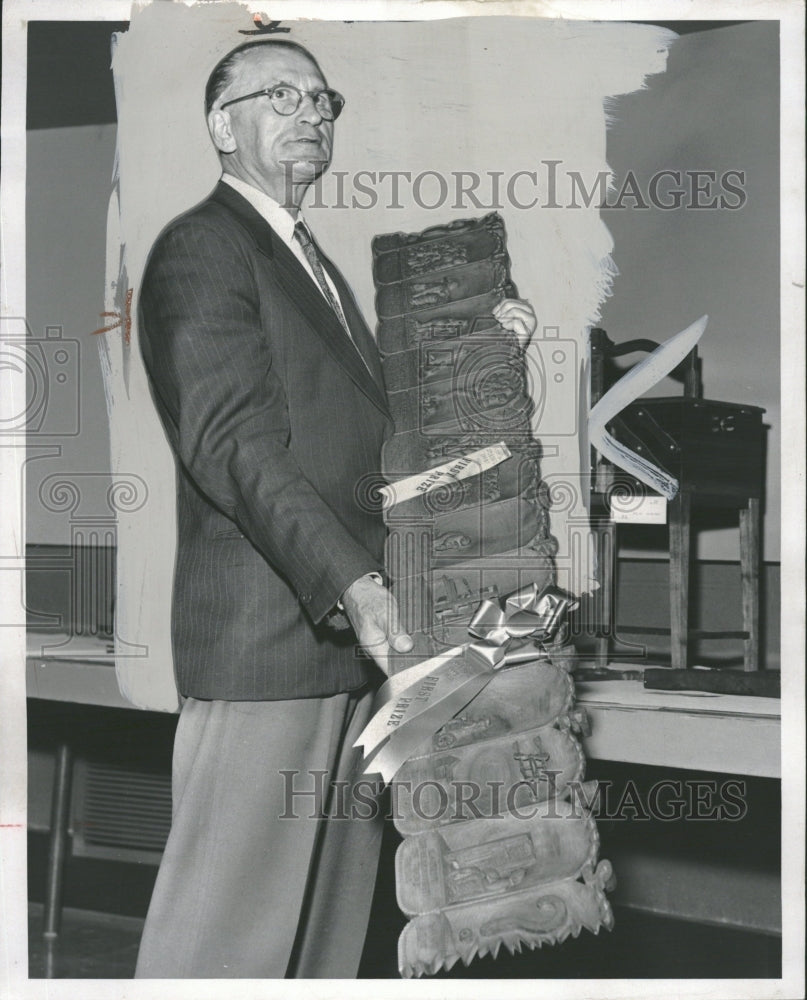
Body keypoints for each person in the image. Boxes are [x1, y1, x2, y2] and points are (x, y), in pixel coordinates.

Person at [134, 38, 536, 979]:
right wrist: (351, 580)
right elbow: (233, 446)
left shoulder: (305, 259)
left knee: (319, 941)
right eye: (279, 95)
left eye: (322, 99)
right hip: (272, 638)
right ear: (219, 126)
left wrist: (485, 353)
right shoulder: (203, 246)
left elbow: (371, 451)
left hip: (356, 645)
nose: (311, 112)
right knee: (221, 942)